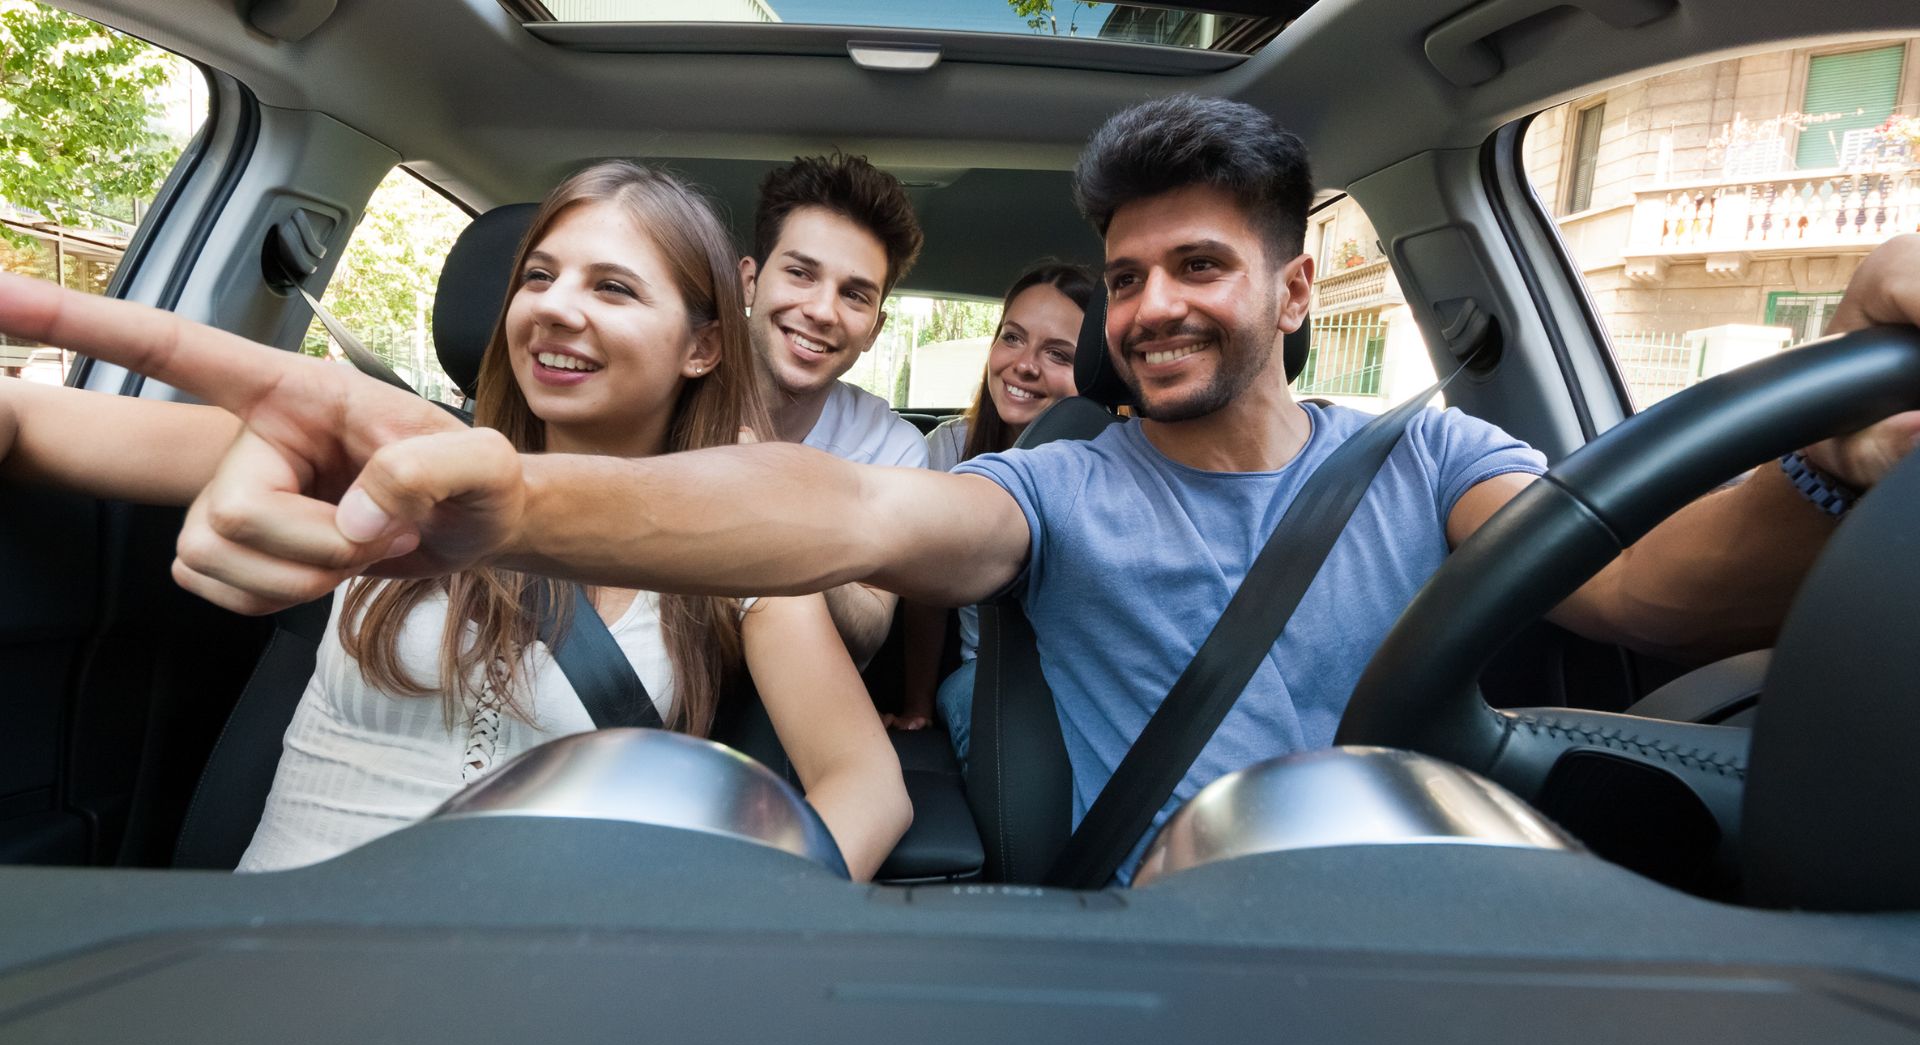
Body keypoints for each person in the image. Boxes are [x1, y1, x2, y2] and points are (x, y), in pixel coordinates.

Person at [8, 97, 1920, 886]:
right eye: (1132, 273)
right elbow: (845, 523)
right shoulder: (1055, 492)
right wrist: (498, 505)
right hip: (1143, 921)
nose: (1156, 306)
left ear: (1292, 286)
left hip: (1412, 893)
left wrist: (1835, 470)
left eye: (1201, 267)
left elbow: (1650, 597)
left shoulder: (1437, 460)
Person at [0, 162, 912, 880]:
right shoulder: (381, 458)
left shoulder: (731, 551)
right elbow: (32, 425)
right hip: (266, 959)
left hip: (520, 991)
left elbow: (867, 787)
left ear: (702, 345)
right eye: (541, 277)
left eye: (614, 289)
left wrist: (714, 941)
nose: (556, 304)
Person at [882, 261, 1095, 773]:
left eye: (1058, 354)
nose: (1024, 365)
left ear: (1096, 369)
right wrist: (917, 703)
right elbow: (926, 592)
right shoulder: (950, 447)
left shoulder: (1117, 463)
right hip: (986, 675)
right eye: (1013, 338)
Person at [738, 153, 930, 665]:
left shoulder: (892, 448)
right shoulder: (669, 395)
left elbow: (867, 631)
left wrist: (779, 505)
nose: (823, 311)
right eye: (801, 273)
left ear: (875, 329)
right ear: (749, 282)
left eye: (855, 295)